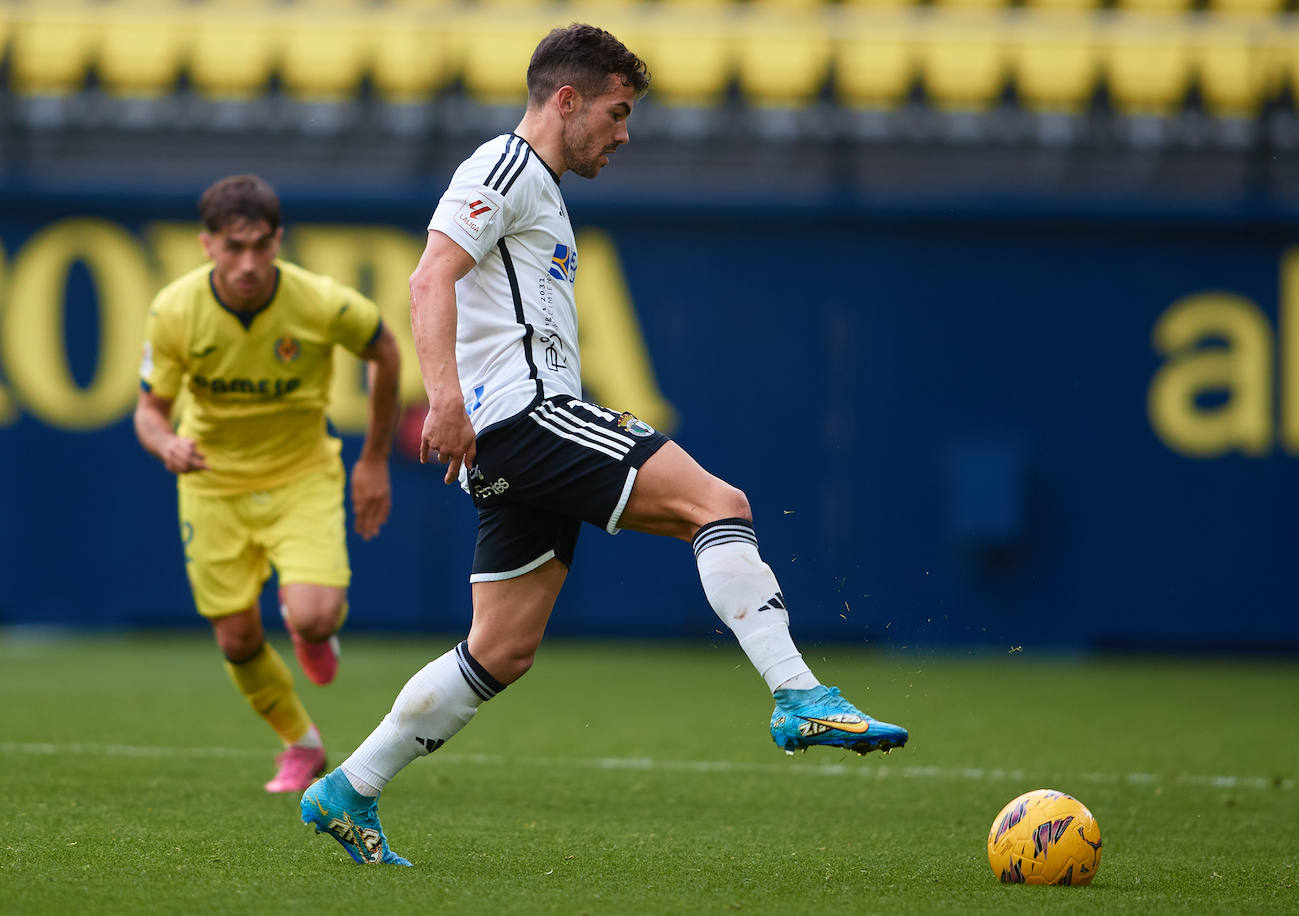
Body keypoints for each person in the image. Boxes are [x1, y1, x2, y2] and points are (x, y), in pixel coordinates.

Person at [300, 24, 906, 866]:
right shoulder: (506, 167)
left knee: (500, 650)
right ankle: (800, 695)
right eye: (617, 114)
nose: (624, 134)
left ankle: (347, 789)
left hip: (510, 441)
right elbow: (428, 276)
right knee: (718, 505)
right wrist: (443, 401)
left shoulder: (539, 189)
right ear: (566, 100)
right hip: (527, 417)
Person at [134, 174, 401, 793]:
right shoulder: (175, 310)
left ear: (279, 240)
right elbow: (149, 410)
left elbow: (384, 351)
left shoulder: (319, 303)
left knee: (312, 617)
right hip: (212, 485)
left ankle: (312, 629)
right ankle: (300, 744)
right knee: (237, 636)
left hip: (300, 476)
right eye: (233, 247)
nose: (249, 263)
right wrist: (165, 442)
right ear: (207, 246)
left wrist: (374, 460)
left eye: (260, 245)